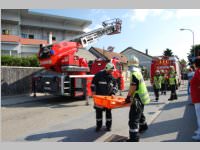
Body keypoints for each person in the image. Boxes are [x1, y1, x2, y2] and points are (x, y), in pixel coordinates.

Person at [125, 56, 150, 142]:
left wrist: (128, 97)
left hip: (138, 97)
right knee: (140, 112)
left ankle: (134, 138)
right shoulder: (138, 72)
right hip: (142, 97)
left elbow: (133, 86)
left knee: (133, 119)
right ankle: (143, 126)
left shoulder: (134, 73)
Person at [91, 62, 118, 132]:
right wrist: (93, 93)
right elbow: (93, 84)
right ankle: (98, 126)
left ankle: (108, 126)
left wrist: (113, 93)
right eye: (111, 70)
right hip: (99, 98)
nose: (112, 72)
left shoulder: (112, 77)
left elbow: (115, 86)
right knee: (98, 112)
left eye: (112, 71)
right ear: (107, 69)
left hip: (108, 98)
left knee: (108, 112)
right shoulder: (98, 75)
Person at [190, 57, 200, 141]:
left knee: (199, 117)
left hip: (198, 98)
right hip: (197, 97)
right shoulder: (198, 71)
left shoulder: (199, 71)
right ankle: (199, 130)